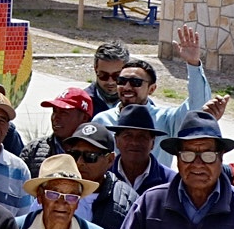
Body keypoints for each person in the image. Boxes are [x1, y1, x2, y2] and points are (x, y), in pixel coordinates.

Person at [92, 24, 213, 168]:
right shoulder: (102, 120)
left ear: (152, 89)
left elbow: (198, 105)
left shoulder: (166, 119)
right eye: (122, 81)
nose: (127, 87)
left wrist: (193, 64)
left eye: (136, 82)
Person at [24, 87, 95, 174]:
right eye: (54, 111)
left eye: (64, 113)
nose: (55, 118)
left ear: (84, 118)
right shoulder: (34, 149)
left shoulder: (95, 156)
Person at [110, 103, 171, 194]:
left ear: (153, 143)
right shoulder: (103, 175)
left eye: (142, 137)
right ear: (116, 141)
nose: (134, 142)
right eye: (128, 136)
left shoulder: (170, 181)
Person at [87, 40, 132, 114]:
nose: (110, 82)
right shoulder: (81, 103)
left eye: (117, 76)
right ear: (95, 69)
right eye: (103, 75)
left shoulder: (139, 102)